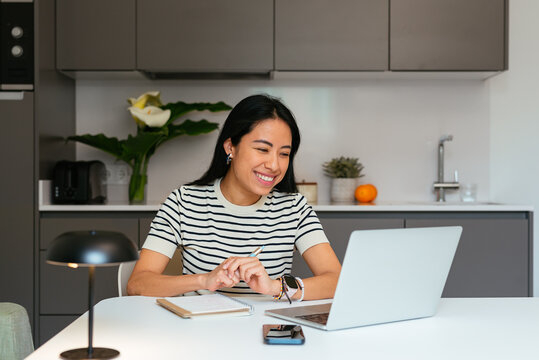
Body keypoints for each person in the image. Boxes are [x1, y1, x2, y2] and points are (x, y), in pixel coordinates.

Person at [127, 94, 341, 301]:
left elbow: (336, 280)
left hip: (267, 330)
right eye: (262, 149)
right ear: (231, 147)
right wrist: (204, 280)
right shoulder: (183, 203)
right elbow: (138, 284)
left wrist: (275, 286)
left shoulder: (294, 208)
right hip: (198, 332)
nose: (274, 165)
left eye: (284, 154)